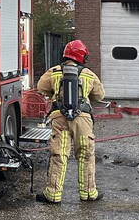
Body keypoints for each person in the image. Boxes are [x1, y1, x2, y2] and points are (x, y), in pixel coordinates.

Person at [35, 40, 106, 204]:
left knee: (59, 154)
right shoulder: (89, 74)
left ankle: (53, 195)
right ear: (82, 56)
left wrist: (55, 91)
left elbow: (41, 87)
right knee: (85, 155)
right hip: (83, 120)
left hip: (59, 118)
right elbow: (100, 95)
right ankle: (88, 193)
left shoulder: (54, 71)